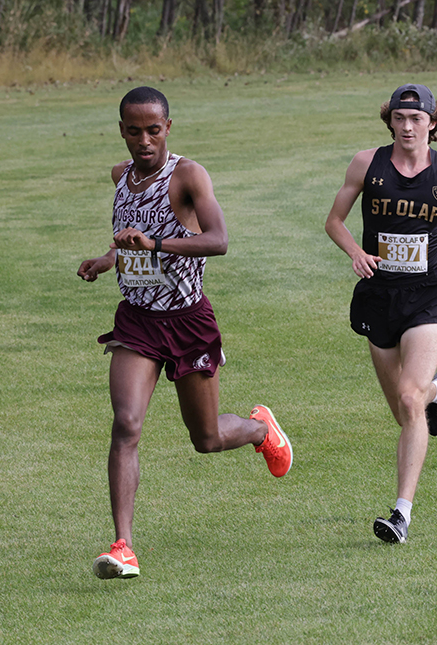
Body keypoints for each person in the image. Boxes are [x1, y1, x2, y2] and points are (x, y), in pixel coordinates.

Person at [78, 86, 293, 579]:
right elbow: (130, 238)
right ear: (121, 131)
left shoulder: (188, 176)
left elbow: (218, 240)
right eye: (134, 131)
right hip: (137, 321)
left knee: (207, 438)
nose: (144, 141)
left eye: (153, 130)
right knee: (126, 424)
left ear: (168, 128)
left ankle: (260, 428)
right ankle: (123, 547)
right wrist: (109, 258)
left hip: (187, 321)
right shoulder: (120, 177)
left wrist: (154, 243)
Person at [324, 84, 437, 544]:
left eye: (416, 118)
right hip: (377, 296)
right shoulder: (366, 164)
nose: (406, 127)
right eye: (399, 118)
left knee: (407, 399)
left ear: (432, 122)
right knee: (406, 412)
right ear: (390, 121)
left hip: (425, 297)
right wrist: (355, 252)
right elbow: (334, 221)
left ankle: (401, 514)